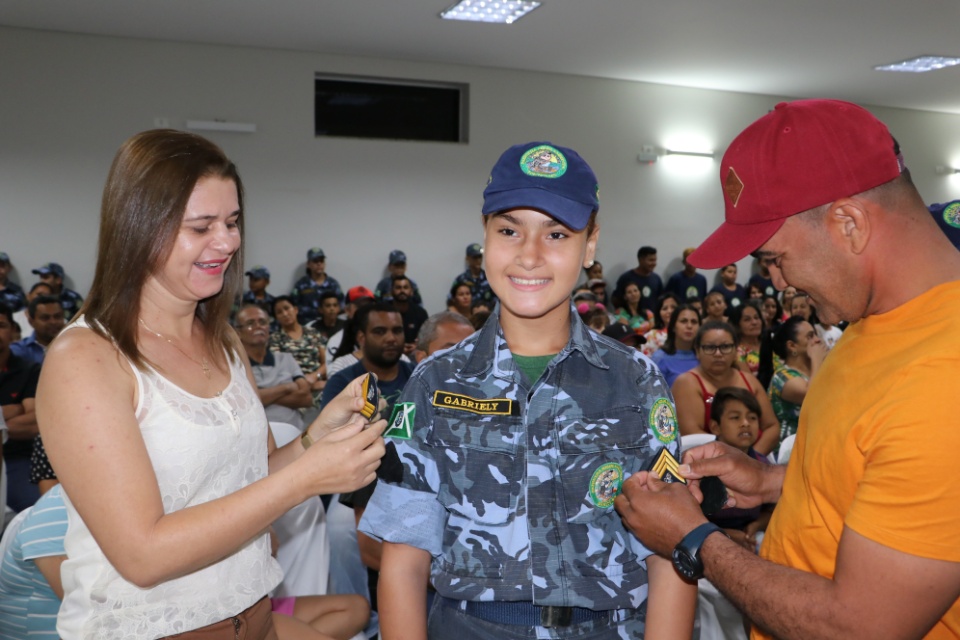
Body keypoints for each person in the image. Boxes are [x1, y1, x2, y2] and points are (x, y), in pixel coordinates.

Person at [614, 99, 960, 639]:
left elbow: (860, 628)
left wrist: (693, 539)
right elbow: (878, 484)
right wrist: (775, 483)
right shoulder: (872, 321)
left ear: (849, 223)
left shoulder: (945, 379)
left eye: (775, 258)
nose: (776, 282)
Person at [35, 129, 386, 640]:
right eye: (201, 227)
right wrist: (307, 479)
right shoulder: (87, 359)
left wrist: (315, 442)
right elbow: (142, 554)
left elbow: (253, 477)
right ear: (138, 229)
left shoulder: (221, 337)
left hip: (254, 613)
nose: (227, 242)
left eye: (233, 221)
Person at [360, 141, 696, 639]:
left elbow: (671, 551)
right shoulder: (436, 382)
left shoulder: (635, 381)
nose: (530, 255)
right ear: (485, 236)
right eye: (509, 230)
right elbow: (404, 560)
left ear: (591, 245)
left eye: (556, 233)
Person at [671, 321, 779, 455]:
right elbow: (694, 436)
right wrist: (733, 461)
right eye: (710, 348)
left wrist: (751, 458)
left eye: (725, 346)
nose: (718, 353)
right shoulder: (686, 382)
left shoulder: (749, 380)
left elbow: (772, 427)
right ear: (697, 351)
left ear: (735, 350)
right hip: (710, 463)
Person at [704, 388, 773, 552]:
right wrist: (725, 534)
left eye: (752, 418)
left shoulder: (763, 465)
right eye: (735, 417)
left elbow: (773, 510)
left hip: (750, 538)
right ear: (715, 427)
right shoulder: (702, 467)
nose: (745, 423)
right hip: (707, 538)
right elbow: (686, 517)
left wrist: (756, 525)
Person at [759, 316, 826, 449]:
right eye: (810, 336)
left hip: (817, 442)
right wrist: (817, 359)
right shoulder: (782, 376)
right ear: (792, 346)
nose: (817, 340)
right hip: (790, 450)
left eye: (816, 335)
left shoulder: (816, 370)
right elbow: (811, 396)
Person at [0, 303, 41, 512]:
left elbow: (34, 423)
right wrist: (13, 409)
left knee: (34, 508)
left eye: (1, 325)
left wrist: (1, 427)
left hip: (17, 458)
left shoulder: (29, 370)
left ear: (13, 331)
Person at [269, 296, 327, 398]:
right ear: (276, 317)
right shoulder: (275, 338)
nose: (285, 314)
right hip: (292, 389)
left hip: (318, 384)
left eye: (287, 308)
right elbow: (279, 369)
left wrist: (316, 376)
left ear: (295, 309)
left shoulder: (313, 332)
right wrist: (303, 384)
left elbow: (326, 362)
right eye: (279, 312)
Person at [650, 303, 700, 388]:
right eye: (683, 321)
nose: (689, 326)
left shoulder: (704, 357)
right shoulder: (660, 358)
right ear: (673, 326)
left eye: (694, 322)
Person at [292, 248, 344, 325]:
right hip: (307, 326)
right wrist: (313, 311)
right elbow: (293, 307)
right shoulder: (301, 285)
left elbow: (342, 305)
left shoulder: (333, 284)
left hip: (330, 325)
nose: (319, 264)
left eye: (321, 261)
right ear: (308, 264)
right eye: (315, 261)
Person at [10, 295, 65, 366]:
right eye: (45, 318)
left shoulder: (75, 345)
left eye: (57, 316)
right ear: (31, 322)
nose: (53, 322)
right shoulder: (19, 350)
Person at [613, 246, 662, 314]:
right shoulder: (626, 278)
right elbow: (616, 299)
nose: (654, 263)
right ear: (640, 260)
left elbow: (660, 300)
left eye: (655, 260)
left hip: (651, 321)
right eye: (651, 260)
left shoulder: (656, 279)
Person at [389, 275, 429, 357]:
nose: (402, 291)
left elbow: (427, 337)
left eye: (405, 287)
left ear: (411, 291)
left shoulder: (420, 313)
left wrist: (416, 346)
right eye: (398, 288)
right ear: (391, 291)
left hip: (415, 353)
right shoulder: (384, 312)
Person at [450, 243, 495, 308]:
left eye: (480, 257)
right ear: (467, 258)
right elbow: (451, 301)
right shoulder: (461, 280)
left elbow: (498, 300)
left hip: (487, 315)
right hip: (467, 316)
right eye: (475, 257)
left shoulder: (490, 278)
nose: (478, 260)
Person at [728, 300, 764, 375]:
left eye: (756, 317)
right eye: (747, 319)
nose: (754, 322)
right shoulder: (737, 352)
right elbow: (749, 382)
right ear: (737, 325)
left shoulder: (770, 344)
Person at [641, 292, 678, 356]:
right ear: (659, 313)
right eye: (665, 308)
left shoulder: (688, 331)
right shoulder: (651, 336)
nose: (669, 311)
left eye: (673, 307)